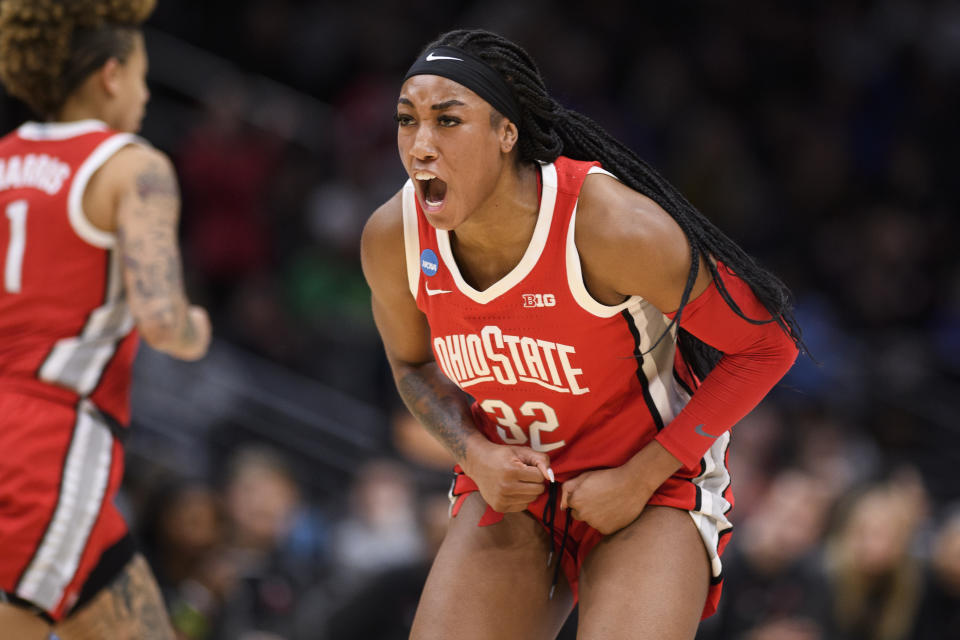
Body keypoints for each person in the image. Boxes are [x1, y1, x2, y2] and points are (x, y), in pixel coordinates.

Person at [361, 28, 803, 639]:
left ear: (505, 134)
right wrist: (474, 454)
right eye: (407, 121)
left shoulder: (610, 227)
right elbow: (411, 368)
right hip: (513, 487)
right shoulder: (394, 237)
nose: (421, 146)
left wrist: (642, 475)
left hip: (649, 486)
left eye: (448, 121)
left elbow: (768, 345)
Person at [0, 1, 211, 638]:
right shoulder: (132, 165)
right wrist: (196, 325)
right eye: (144, 76)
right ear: (113, 75)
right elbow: (163, 321)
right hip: (48, 444)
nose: (147, 95)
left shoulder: (4, 159)